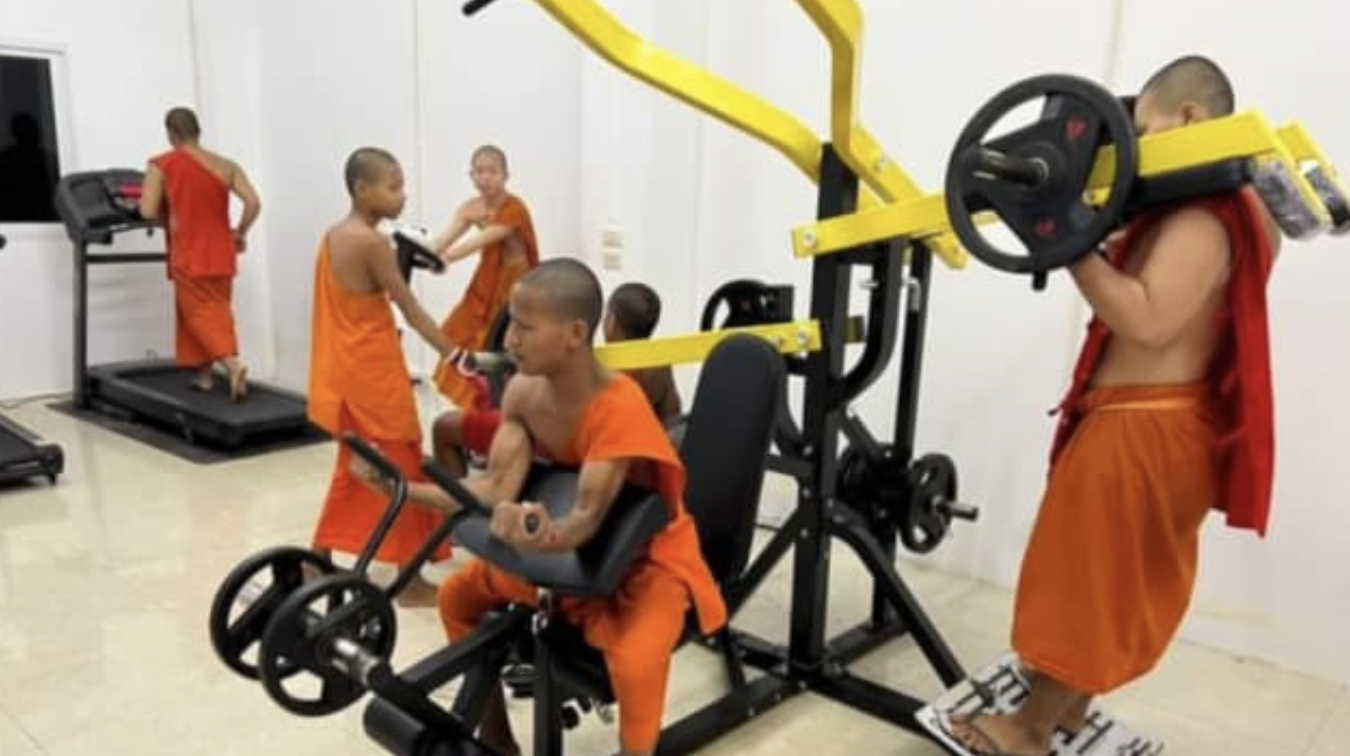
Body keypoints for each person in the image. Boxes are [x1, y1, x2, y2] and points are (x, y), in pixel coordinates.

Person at [948, 55, 1282, 756]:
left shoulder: (1208, 215)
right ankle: (1068, 709)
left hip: (1144, 430)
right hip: (1152, 423)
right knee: (1111, 582)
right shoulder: (1230, 208)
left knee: (1086, 585)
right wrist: (1090, 230)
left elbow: (1149, 319)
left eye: (1145, 131)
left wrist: (1064, 238)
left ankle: (1029, 730)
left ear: (1189, 117)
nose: (1138, 150)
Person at [351, 259, 724, 756]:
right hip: (563, 553)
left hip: (643, 562)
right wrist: (403, 489)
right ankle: (496, 737)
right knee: (457, 598)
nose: (509, 340)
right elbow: (493, 487)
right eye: (512, 323)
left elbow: (585, 520)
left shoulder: (621, 406)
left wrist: (544, 535)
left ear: (575, 335)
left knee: (637, 662)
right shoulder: (523, 394)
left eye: (525, 328)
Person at [308, 147, 464, 607]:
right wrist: (456, 355)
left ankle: (317, 557)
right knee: (401, 467)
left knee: (352, 464)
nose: (403, 196)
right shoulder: (372, 243)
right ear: (362, 189)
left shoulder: (334, 235)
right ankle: (408, 580)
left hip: (344, 371)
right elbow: (411, 310)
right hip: (373, 374)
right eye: (393, 187)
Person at [431, 280, 683, 477]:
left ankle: (456, 518)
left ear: (611, 321)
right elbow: (671, 416)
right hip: (624, 456)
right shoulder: (661, 364)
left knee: (444, 426)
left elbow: (548, 410)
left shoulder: (593, 362)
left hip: (558, 448)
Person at [139, 107, 261, 401]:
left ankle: (232, 367)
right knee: (212, 309)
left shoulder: (161, 164)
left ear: (171, 133)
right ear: (198, 131)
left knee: (198, 314)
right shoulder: (227, 165)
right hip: (222, 250)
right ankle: (204, 377)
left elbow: (147, 211)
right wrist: (240, 232)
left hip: (189, 250)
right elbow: (253, 202)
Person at [429, 145, 539, 408]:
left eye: (492, 171)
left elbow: (484, 239)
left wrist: (447, 258)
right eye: (479, 171)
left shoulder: (514, 208)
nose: (485, 178)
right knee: (458, 331)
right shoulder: (471, 208)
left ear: (505, 175)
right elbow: (443, 240)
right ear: (471, 175)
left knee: (500, 342)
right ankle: (474, 400)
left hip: (515, 285)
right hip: (486, 282)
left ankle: (505, 401)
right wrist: (424, 255)